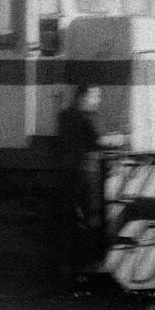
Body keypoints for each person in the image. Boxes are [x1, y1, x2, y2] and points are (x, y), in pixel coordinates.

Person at [56, 84, 126, 268]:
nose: (98, 100)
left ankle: (73, 258)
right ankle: (92, 260)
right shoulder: (87, 117)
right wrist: (122, 139)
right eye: (95, 96)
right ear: (82, 98)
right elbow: (99, 140)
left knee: (74, 214)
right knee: (93, 215)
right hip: (90, 172)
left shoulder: (63, 116)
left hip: (69, 171)